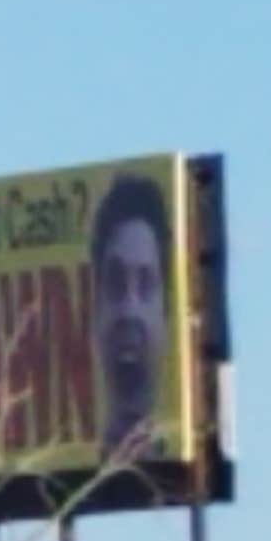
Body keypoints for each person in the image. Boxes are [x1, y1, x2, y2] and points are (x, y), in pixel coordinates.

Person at [90, 170, 174, 461]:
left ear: (167, 317)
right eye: (115, 284)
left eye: (146, 284)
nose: (129, 310)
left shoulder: (177, 457)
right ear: (95, 311)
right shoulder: (66, 458)